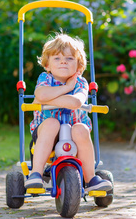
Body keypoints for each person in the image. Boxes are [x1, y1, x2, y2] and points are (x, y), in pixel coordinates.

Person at [25, 33, 112, 192]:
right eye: (57, 58)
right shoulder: (45, 78)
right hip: (46, 131)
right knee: (52, 123)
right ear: (47, 65)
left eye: (69, 58)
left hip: (74, 132)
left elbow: (76, 102)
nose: (63, 61)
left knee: (81, 129)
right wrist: (66, 88)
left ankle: (90, 179)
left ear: (79, 67)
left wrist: (46, 99)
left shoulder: (81, 82)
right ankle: (36, 174)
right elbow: (41, 94)